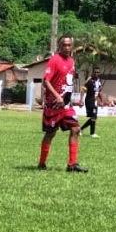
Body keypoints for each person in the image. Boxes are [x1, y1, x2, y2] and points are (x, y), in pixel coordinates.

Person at [37, 34, 87, 173]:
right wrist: (57, 96)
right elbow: (46, 81)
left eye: (69, 45)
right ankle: (42, 163)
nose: (66, 47)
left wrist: (73, 100)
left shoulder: (72, 61)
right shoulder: (54, 60)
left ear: (72, 46)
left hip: (66, 106)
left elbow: (68, 83)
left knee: (76, 129)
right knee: (50, 134)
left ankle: (72, 164)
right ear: (59, 46)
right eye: (64, 45)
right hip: (53, 105)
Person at [80, 67, 102, 138]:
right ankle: (83, 130)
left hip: (94, 102)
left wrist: (101, 100)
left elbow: (98, 91)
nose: (96, 73)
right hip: (89, 101)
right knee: (94, 117)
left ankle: (91, 133)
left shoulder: (98, 81)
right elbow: (83, 89)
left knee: (94, 117)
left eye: (97, 72)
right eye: (95, 72)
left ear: (99, 73)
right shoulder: (90, 81)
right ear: (93, 73)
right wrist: (81, 100)